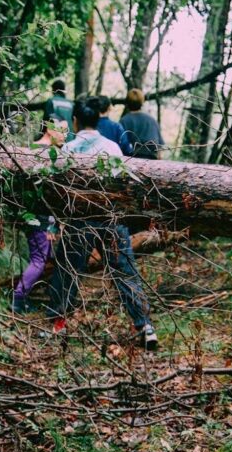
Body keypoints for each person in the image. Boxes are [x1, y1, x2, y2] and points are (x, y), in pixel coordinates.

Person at [47, 98, 158, 350]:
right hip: (110, 217)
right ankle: (144, 326)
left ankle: (58, 325)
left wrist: (57, 222)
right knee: (125, 272)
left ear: (75, 121)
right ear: (98, 121)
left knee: (66, 272)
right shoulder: (112, 147)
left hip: (80, 220)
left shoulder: (69, 149)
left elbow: (59, 188)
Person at [11, 126, 66, 314]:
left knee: (41, 258)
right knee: (38, 261)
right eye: (62, 131)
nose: (65, 136)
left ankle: (22, 297)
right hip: (40, 215)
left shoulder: (37, 150)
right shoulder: (42, 153)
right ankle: (18, 299)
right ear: (50, 130)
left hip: (41, 216)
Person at [120, 88, 165, 160]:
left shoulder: (124, 121)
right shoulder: (151, 120)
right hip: (151, 161)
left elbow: (121, 145)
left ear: (127, 102)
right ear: (142, 102)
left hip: (130, 161)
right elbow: (160, 148)